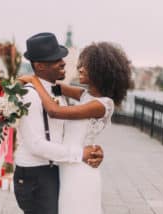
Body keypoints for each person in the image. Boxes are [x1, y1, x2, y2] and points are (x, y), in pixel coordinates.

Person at [19, 41, 131, 214]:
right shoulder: (84, 95)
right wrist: (29, 83)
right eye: (80, 65)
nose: (80, 69)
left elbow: (55, 111)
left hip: (80, 170)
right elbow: (56, 87)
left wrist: (34, 80)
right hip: (66, 166)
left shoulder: (102, 105)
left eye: (86, 66)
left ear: (100, 71)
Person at [14, 32, 104, 214]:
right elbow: (37, 145)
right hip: (36, 175)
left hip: (53, 171)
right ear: (39, 66)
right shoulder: (30, 95)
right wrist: (81, 153)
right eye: (56, 59)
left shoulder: (55, 90)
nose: (63, 62)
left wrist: (92, 149)